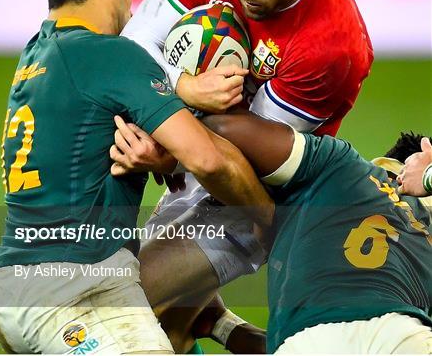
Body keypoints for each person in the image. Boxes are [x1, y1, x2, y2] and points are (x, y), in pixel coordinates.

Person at [0, 0, 274, 355]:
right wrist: (270, 221)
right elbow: (210, 160)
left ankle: (220, 324)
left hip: (21, 284)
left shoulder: (36, 57)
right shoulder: (111, 55)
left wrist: (160, 150)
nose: (131, 8)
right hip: (72, 292)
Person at [119, 0, 374, 350]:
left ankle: (220, 324)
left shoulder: (332, 46)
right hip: (200, 152)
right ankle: (226, 329)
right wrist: (182, 90)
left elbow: (240, 149)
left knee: (124, 303)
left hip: (259, 198)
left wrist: (166, 149)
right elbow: (134, 42)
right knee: (163, 328)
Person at [114, 113, 432, 354]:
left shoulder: (341, 165)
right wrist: (224, 326)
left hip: (312, 342)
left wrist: (168, 138)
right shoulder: (426, 246)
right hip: (407, 337)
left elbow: (224, 129)